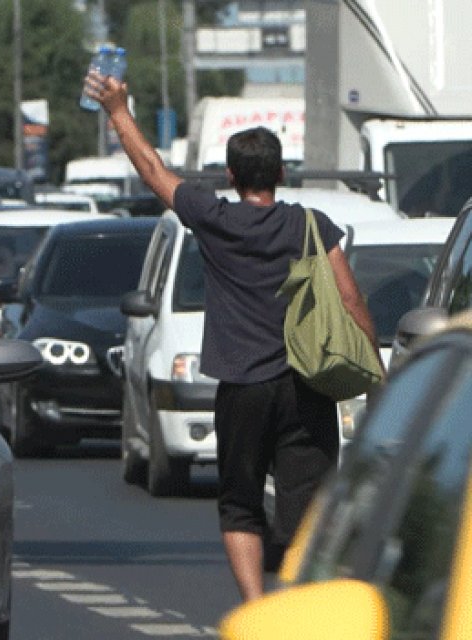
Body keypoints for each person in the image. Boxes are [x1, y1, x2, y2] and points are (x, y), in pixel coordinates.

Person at [86, 73, 381, 602]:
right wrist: (375, 376)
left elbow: (153, 171)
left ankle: (254, 607)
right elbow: (352, 299)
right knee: (309, 507)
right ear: (281, 174)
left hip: (241, 385)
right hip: (305, 386)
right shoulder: (312, 225)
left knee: (240, 502)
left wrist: (118, 110)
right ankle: (298, 604)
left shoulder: (215, 218)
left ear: (230, 175)